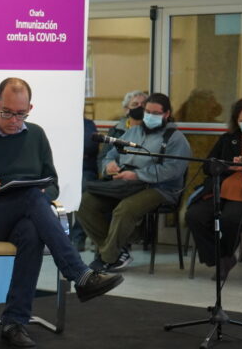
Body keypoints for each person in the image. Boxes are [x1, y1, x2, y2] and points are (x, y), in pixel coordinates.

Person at [0, 77, 124, 349]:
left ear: (30, 108)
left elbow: (52, 183)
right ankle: (79, 274)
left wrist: (44, 194)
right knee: (30, 197)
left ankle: (14, 323)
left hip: (21, 217)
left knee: (31, 230)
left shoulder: (36, 135)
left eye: (21, 114)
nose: (14, 121)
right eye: (7, 113)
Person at [78, 93, 191, 272]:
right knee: (85, 202)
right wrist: (109, 166)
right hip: (125, 185)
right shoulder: (133, 132)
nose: (150, 116)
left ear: (167, 114)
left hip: (160, 189)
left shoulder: (175, 138)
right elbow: (110, 155)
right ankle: (116, 252)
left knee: (125, 209)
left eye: (155, 113)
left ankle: (108, 258)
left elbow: (172, 170)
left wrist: (137, 175)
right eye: (148, 112)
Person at [185, 97, 242, 281]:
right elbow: (207, 166)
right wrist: (226, 165)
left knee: (230, 219)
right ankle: (221, 259)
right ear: (236, 121)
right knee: (194, 215)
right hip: (220, 187)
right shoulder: (228, 139)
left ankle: (224, 257)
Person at [97, 90, 147, 174]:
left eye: (143, 104)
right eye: (135, 104)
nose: (140, 107)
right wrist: (108, 168)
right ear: (126, 109)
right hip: (117, 175)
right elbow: (103, 157)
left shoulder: (151, 131)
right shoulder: (116, 130)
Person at [69, 117, 99, 251]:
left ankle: (78, 237)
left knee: (83, 191)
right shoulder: (59, 123)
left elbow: (89, 144)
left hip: (84, 170)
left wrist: (69, 150)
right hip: (61, 168)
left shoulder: (87, 124)